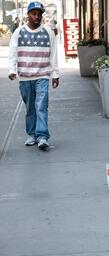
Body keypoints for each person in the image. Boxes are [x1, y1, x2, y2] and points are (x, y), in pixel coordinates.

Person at [8, 1, 59, 150]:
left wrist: (55, 74)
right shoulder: (19, 32)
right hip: (25, 77)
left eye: (39, 14)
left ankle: (42, 136)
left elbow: (53, 55)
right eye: (34, 14)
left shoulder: (48, 32)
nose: (37, 17)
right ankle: (32, 134)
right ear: (28, 15)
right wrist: (12, 70)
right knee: (30, 107)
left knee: (41, 106)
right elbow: (12, 53)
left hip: (42, 75)